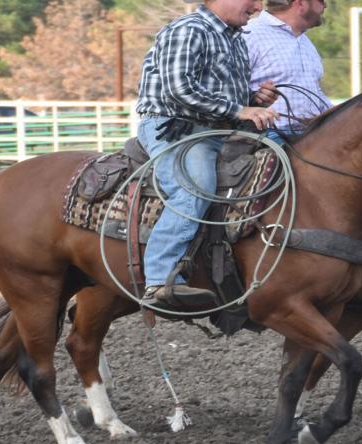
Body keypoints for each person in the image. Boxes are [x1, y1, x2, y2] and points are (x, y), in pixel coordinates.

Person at [134, 0, 282, 312]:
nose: (258, 7)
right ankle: (159, 280)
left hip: (216, 131)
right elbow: (180, 89)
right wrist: (241, 109)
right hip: (175, 127)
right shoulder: (189, 30)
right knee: (194, 185)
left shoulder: (235, 39)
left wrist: (253, 99)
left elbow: (224, 96)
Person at [245, 0, 334, 142]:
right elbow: (231, 94)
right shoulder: (249, 34)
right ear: (301, 4)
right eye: (321, 1)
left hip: (313, 133)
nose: (325, 6)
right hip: (271, 135)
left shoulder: (305, 41)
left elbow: (315, 92)